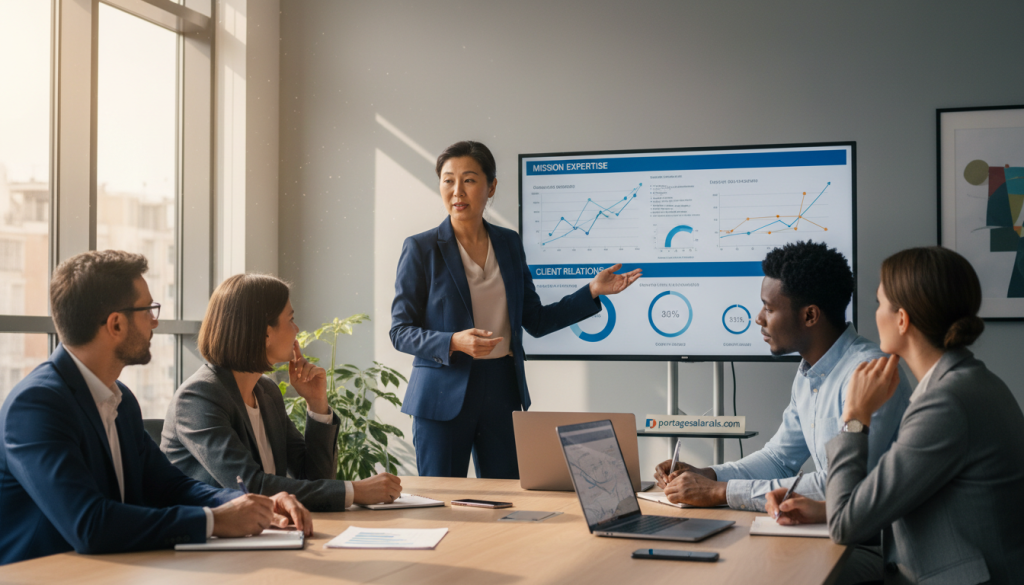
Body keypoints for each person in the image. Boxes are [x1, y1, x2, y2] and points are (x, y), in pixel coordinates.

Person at [0, 251, 311, 566]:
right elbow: (90, 524)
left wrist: (253, 504)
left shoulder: (121, 400)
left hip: (115, 571)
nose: (155, 320)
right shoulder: (36, 406)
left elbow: (170, 486)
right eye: (147, 310)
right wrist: (214, 521)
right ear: (116, 324)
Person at [766, 247, 1024, 584]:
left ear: (902, 320)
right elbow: (903, 497)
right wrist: (821, 508)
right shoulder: (970, 382)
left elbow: (846, 526)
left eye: (879, 304)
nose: (874, 316)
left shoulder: (946, 403)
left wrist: (855, 417)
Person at [391, 140, 641, 478]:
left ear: (491, 186)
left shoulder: (508, 243)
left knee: (506, 499)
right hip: (441, 394)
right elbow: (400, 331)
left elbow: (535, 320)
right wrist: (454, 341)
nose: (457, 191)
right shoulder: (421, 248)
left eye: (469, 180)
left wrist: (592, 291)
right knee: (443, 501)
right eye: (448, 180)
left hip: (501, 388)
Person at [655, 241, 912, 511]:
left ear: (810, 315)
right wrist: (708, 475)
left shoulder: (871, 373)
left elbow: (843, 486)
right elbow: (779, 459)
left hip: (870, 546)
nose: (759, 318)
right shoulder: (809, 373)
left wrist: (722, 492)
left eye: (769, 308)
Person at [161, 274, 402, 510]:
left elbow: (314, 478)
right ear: (266, 333)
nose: (297, 329)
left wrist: (317, 403)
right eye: (291, 319)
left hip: (265, 533)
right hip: (209, 540)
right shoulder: (198, 397)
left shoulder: (267, 392)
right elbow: (250, 486)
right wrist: (354, 491)